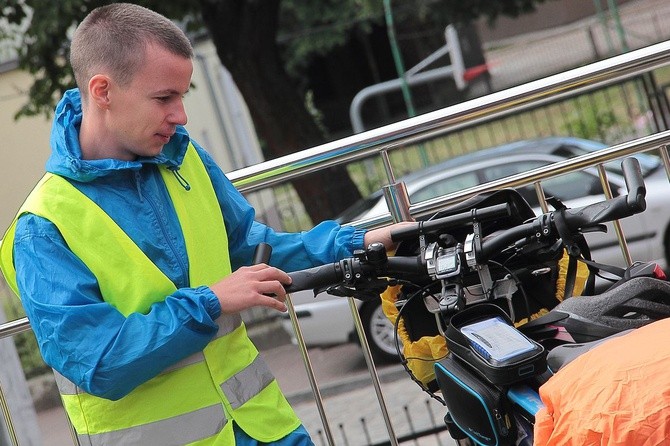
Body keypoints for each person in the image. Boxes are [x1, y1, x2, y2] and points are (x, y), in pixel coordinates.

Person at [0, 3, 408, 445]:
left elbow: (254, 250)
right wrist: (211, 302)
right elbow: (99, 362)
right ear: (102, 91)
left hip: (264, 428)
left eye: (183, 95)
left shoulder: (183, 156)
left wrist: (358, 242)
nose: (181, 115)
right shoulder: (42, 227)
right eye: (164, 98)